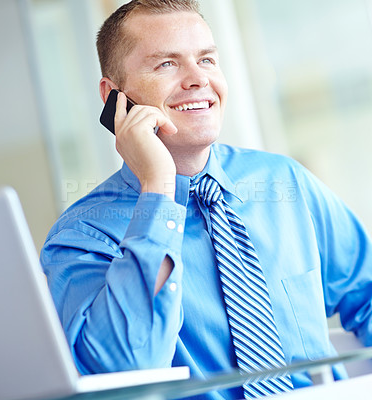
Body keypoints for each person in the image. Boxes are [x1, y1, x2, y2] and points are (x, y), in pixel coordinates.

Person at [40, 0, 372, 399]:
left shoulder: (284, 182)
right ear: (115, 96)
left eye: (208, 60)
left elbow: (366, 292)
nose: (198, 79)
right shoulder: (82, 233)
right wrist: (158, 190)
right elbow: (125, 372)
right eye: (167, 64)